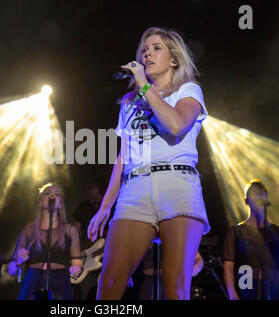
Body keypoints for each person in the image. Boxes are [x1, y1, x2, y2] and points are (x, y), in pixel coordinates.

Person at [87, 27, 211, 300]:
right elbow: (123, 156)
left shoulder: (188, 90)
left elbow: (177, 125)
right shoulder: (130, 101)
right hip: (135, 190)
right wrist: (106, 206)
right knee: (108, 284)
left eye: (156, 48)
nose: (147, 53)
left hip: (177, 185)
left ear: (174, 59)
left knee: (175, 287)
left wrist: (146, 86)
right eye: (144, 49)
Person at [223, 179, 279, 300]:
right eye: (254, 193)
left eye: (262, 193)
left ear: (267, 200)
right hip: (246, 291)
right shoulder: (235, 232)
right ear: (246, 201)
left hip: (274, 293)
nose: (258, 196)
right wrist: (233, 295)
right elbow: (228, 267)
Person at [8, 183, 83, 300]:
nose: (52, 196)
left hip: (60, 282)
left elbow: (77, 262)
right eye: (47, 193)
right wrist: (18, 261)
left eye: (56, 194)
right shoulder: (28, 231)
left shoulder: (70, 230)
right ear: (40, 201)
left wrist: (76, 270)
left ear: (61, 204)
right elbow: (11, 270)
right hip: (32, 281)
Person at [72, 177, 107, 299]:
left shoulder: (113, 208)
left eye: (95, 197)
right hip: (86, 256)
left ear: (103, 193)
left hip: (107, 256)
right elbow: (74, 232)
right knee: (87, 292)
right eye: (90, 198)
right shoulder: (84, 207)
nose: (92, 201)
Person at [138, 244, 204, 300]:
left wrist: (193, 270)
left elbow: (198, 258)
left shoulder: (175, 235)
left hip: (174, 281)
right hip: (150, 281)